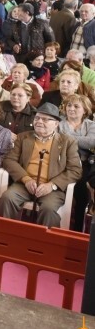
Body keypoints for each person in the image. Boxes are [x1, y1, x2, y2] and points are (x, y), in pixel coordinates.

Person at [0, 103, 82, 228]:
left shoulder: (67, 142)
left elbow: (75, 170)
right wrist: (26, 179)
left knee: (49, 209)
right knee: (7, 198)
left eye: (45, 119)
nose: (39, 122)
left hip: (51, 189)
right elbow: (9, 160)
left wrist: (52, 185)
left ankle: (45, 239)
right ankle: (6, 233)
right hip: (25, 184)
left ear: (56, 124)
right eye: (37, 118)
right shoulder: (23, 137)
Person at [57, 93, 95, 230]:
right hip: (62, 162)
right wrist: (81, 142)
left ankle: (78, 228)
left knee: (82, 190)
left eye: (76, 106)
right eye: (69, 105)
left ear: (85, 110)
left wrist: (67, 137)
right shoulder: (59, 123)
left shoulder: (91, 125)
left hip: (84, 163)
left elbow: (92, 142)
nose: (71, 108)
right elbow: (57, 141)